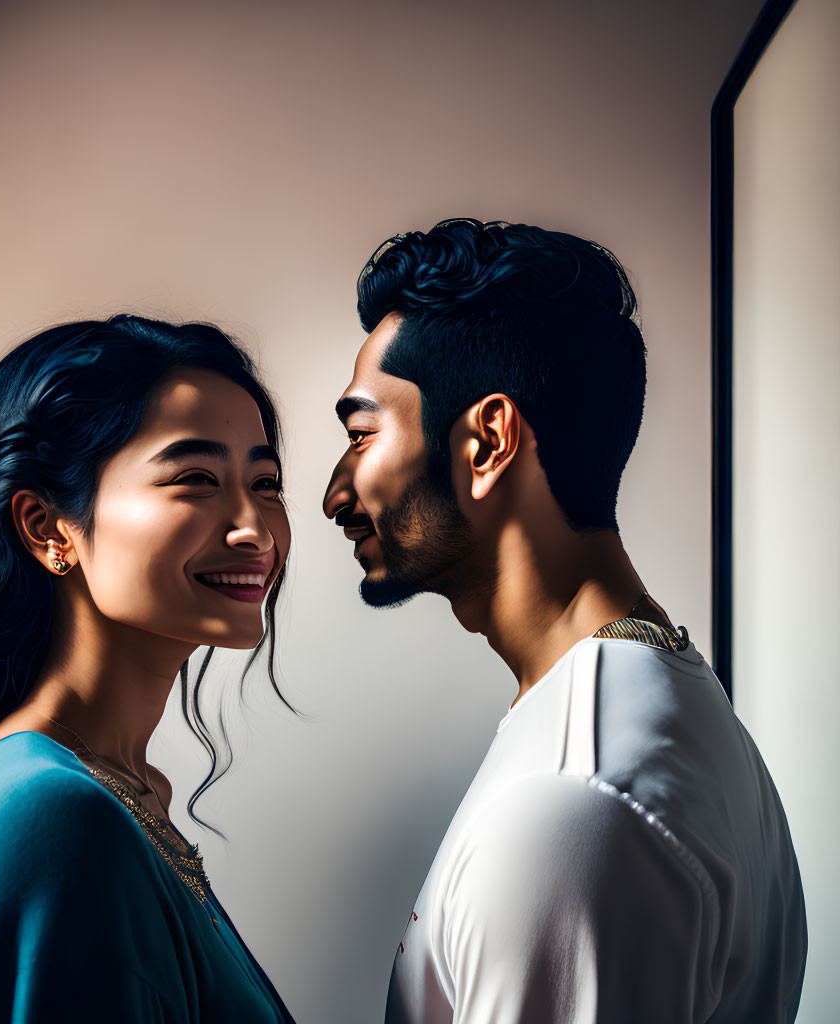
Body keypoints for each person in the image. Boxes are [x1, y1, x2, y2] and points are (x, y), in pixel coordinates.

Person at [323, 219, 807, 1023]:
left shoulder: (571, 802)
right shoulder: (663, 705)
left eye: (362, 435)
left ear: (486, 441)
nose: (337, 494)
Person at [0, 314, 296, 1023]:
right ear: (47, 527)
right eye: (195, 478)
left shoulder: (115, 792)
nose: (253, 528)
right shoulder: (50, 813)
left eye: (265, 482)